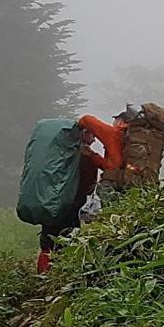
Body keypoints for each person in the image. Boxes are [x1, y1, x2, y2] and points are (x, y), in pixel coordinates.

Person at [35, 114, 128, 274]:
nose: (93, 140)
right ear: (83, 134)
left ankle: (45, 276)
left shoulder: (67, 153)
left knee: (49, 241)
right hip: (71, 204)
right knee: (62, 240)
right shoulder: (83, 154)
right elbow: (109, 166)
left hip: (59, 202)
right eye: (91, 135)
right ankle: (52, 277)